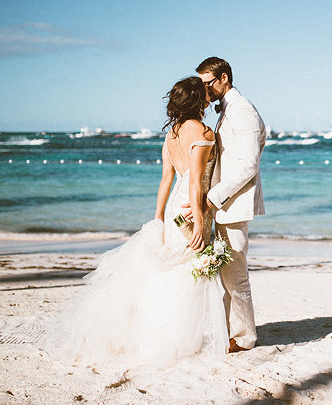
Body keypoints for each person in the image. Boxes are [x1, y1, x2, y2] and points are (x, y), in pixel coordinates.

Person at [46, 76, 229, 366]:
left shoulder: (171, 136)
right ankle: (181, 340)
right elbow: (195, 182)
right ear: (198, 100)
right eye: (205, 93)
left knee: (170, 271)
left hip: (172, 210)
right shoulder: (203, 133)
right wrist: (199, 219)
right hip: (191, 209)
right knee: (187, 271)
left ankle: (161, 335)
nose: (209, 96)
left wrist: (158, 219)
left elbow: (165, 181)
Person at [194, 56, 266, 353]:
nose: (205, 90)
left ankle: (246, 338)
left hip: (233, 204)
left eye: (208, 83)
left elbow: (248, 165)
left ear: (224, 78)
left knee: (236, 274)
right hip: (225, 203)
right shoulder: (228, 110)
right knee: (225, 272)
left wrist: (213, 196)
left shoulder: (243, 111)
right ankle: (228, 332)